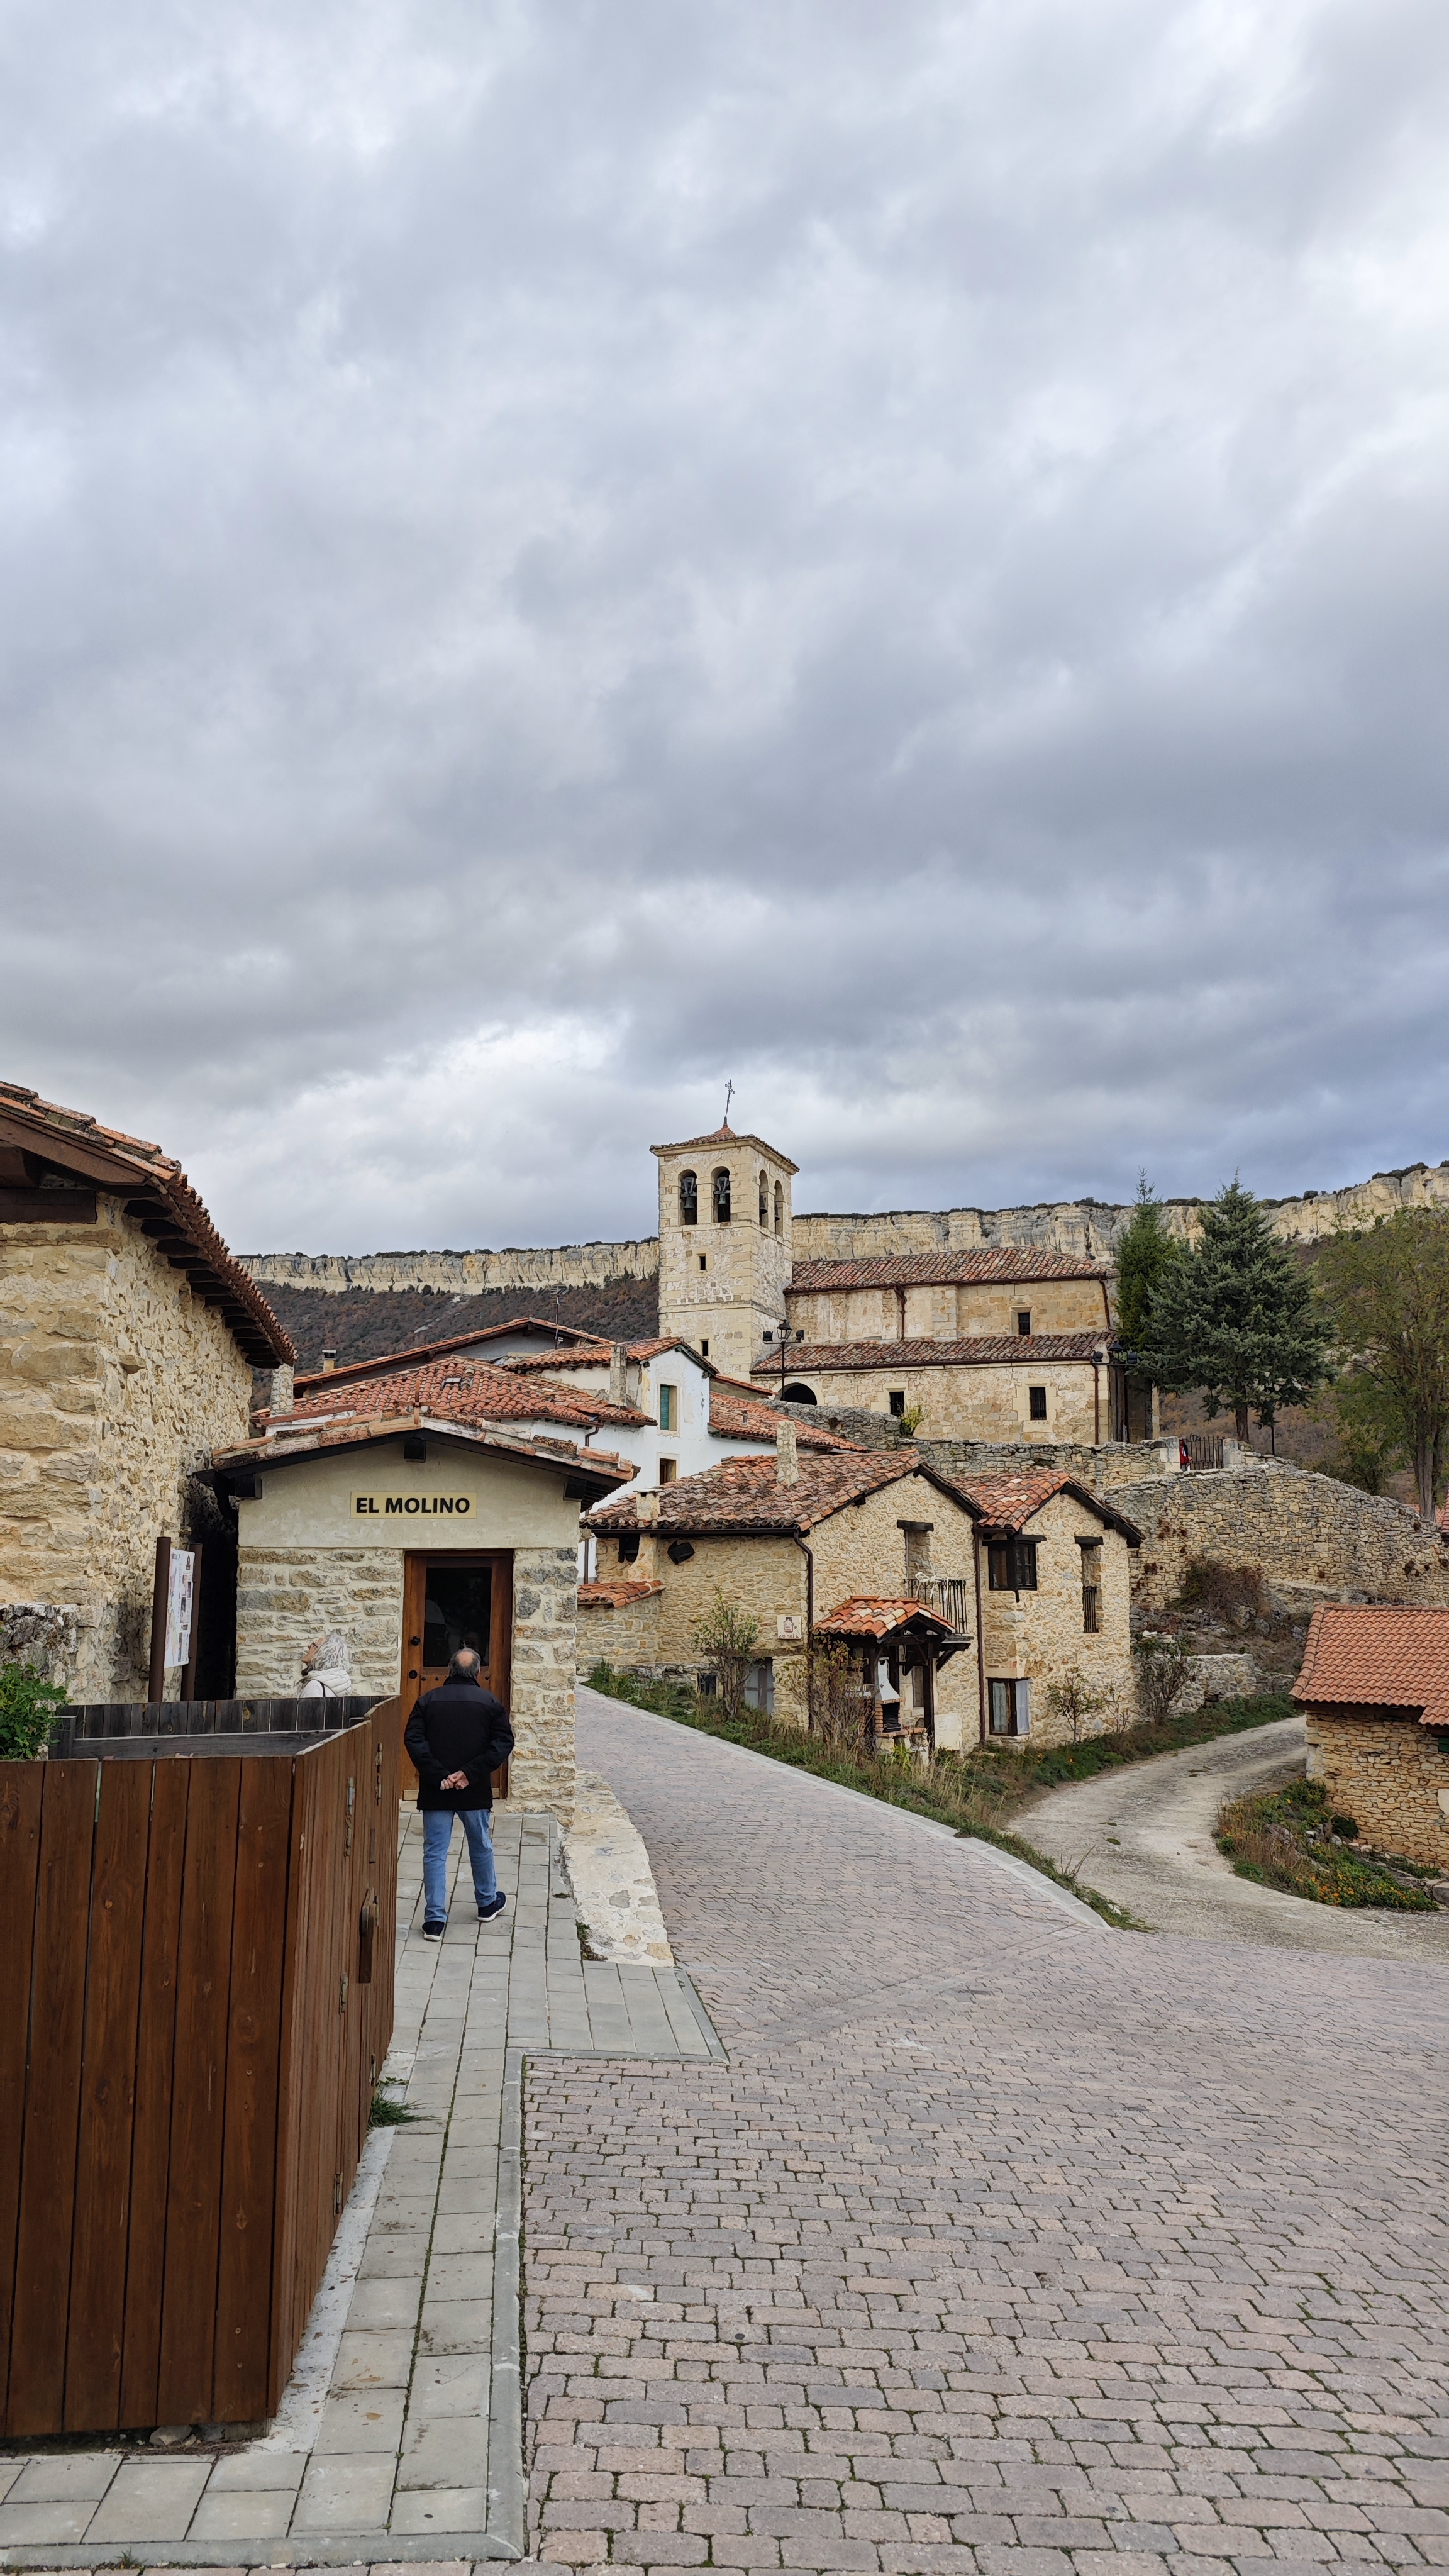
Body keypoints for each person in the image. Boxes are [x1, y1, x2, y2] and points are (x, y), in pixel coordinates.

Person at [404, 1646, 514, 1940]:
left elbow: (413, 1740)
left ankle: (435, 1921)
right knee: (481, 1846)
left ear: (450, 1671)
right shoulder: (490, 1702)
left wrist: (440, 1775)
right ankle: (487, 1903)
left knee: (435, 1853)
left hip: (436, 1789)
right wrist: (469, 1773)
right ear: (477, 1672)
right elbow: (503, 1743)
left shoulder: (427, 1700)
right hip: (474, 1790)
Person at [299, 1631, 352, 1698]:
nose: (309, 1646)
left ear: (322, 1655)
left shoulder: (315, 1687)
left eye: (314, 1645)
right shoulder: (333, 1683)